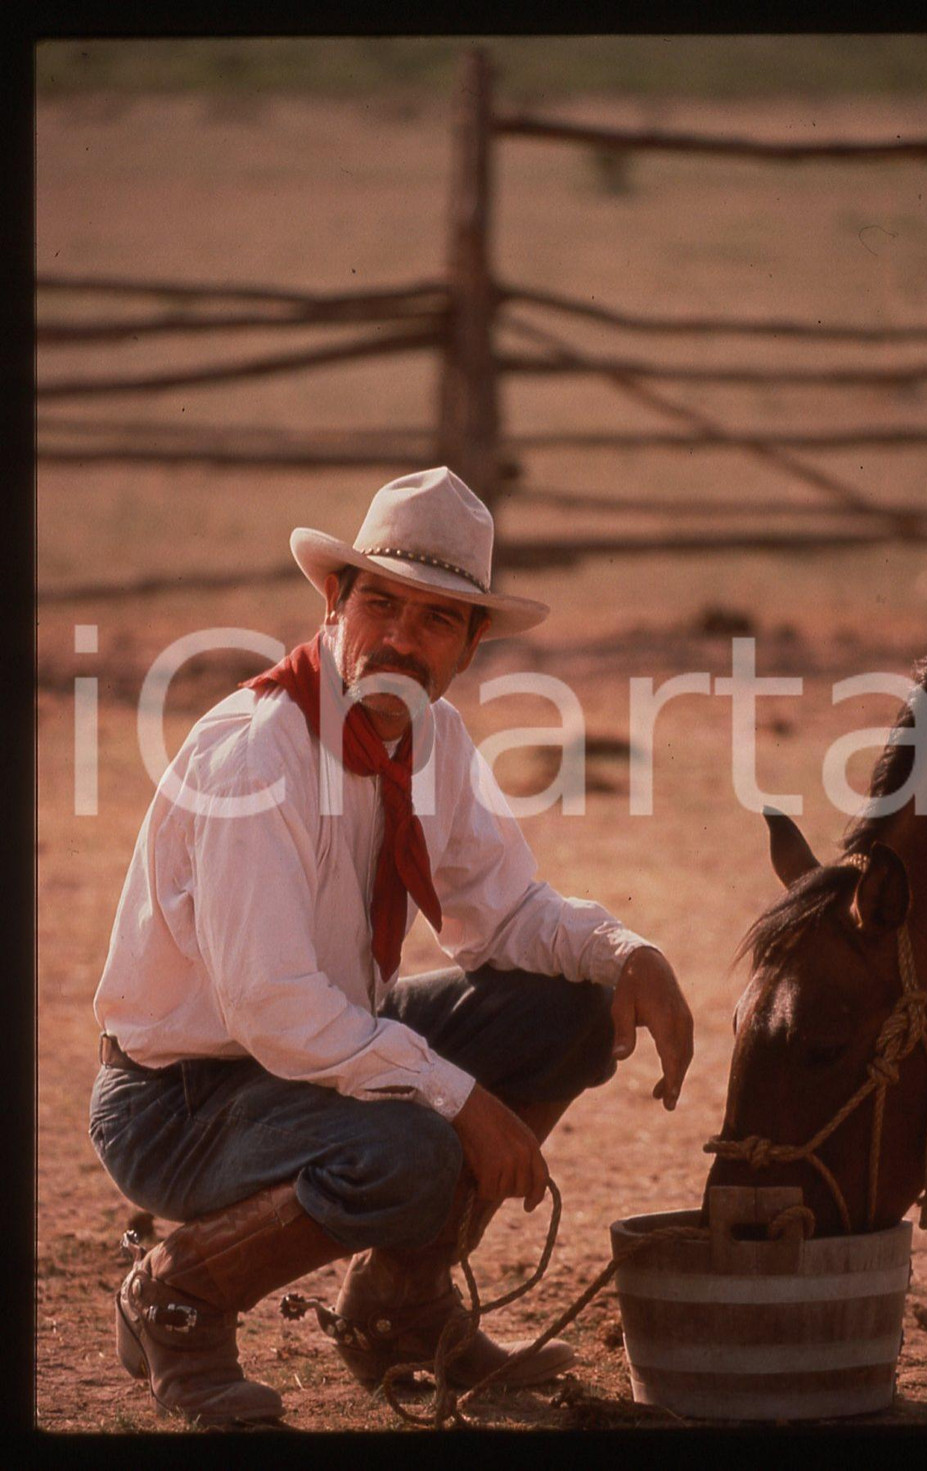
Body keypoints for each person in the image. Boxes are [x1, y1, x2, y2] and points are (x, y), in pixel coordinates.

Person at [89, 466, 694, 1428]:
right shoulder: (258, 753)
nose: (402, 640)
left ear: (472, 640)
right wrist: (461, 1101)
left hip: (306, 1057)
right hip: (179, 1101)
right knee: (411, 1148)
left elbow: (504, 914)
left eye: (438, 618)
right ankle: (176, 1295)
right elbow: (274, 1006)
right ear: (335, 601)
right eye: (381, 603)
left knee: (566, 1011)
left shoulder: (433, 738)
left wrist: (625, 952)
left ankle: (399, 1311)